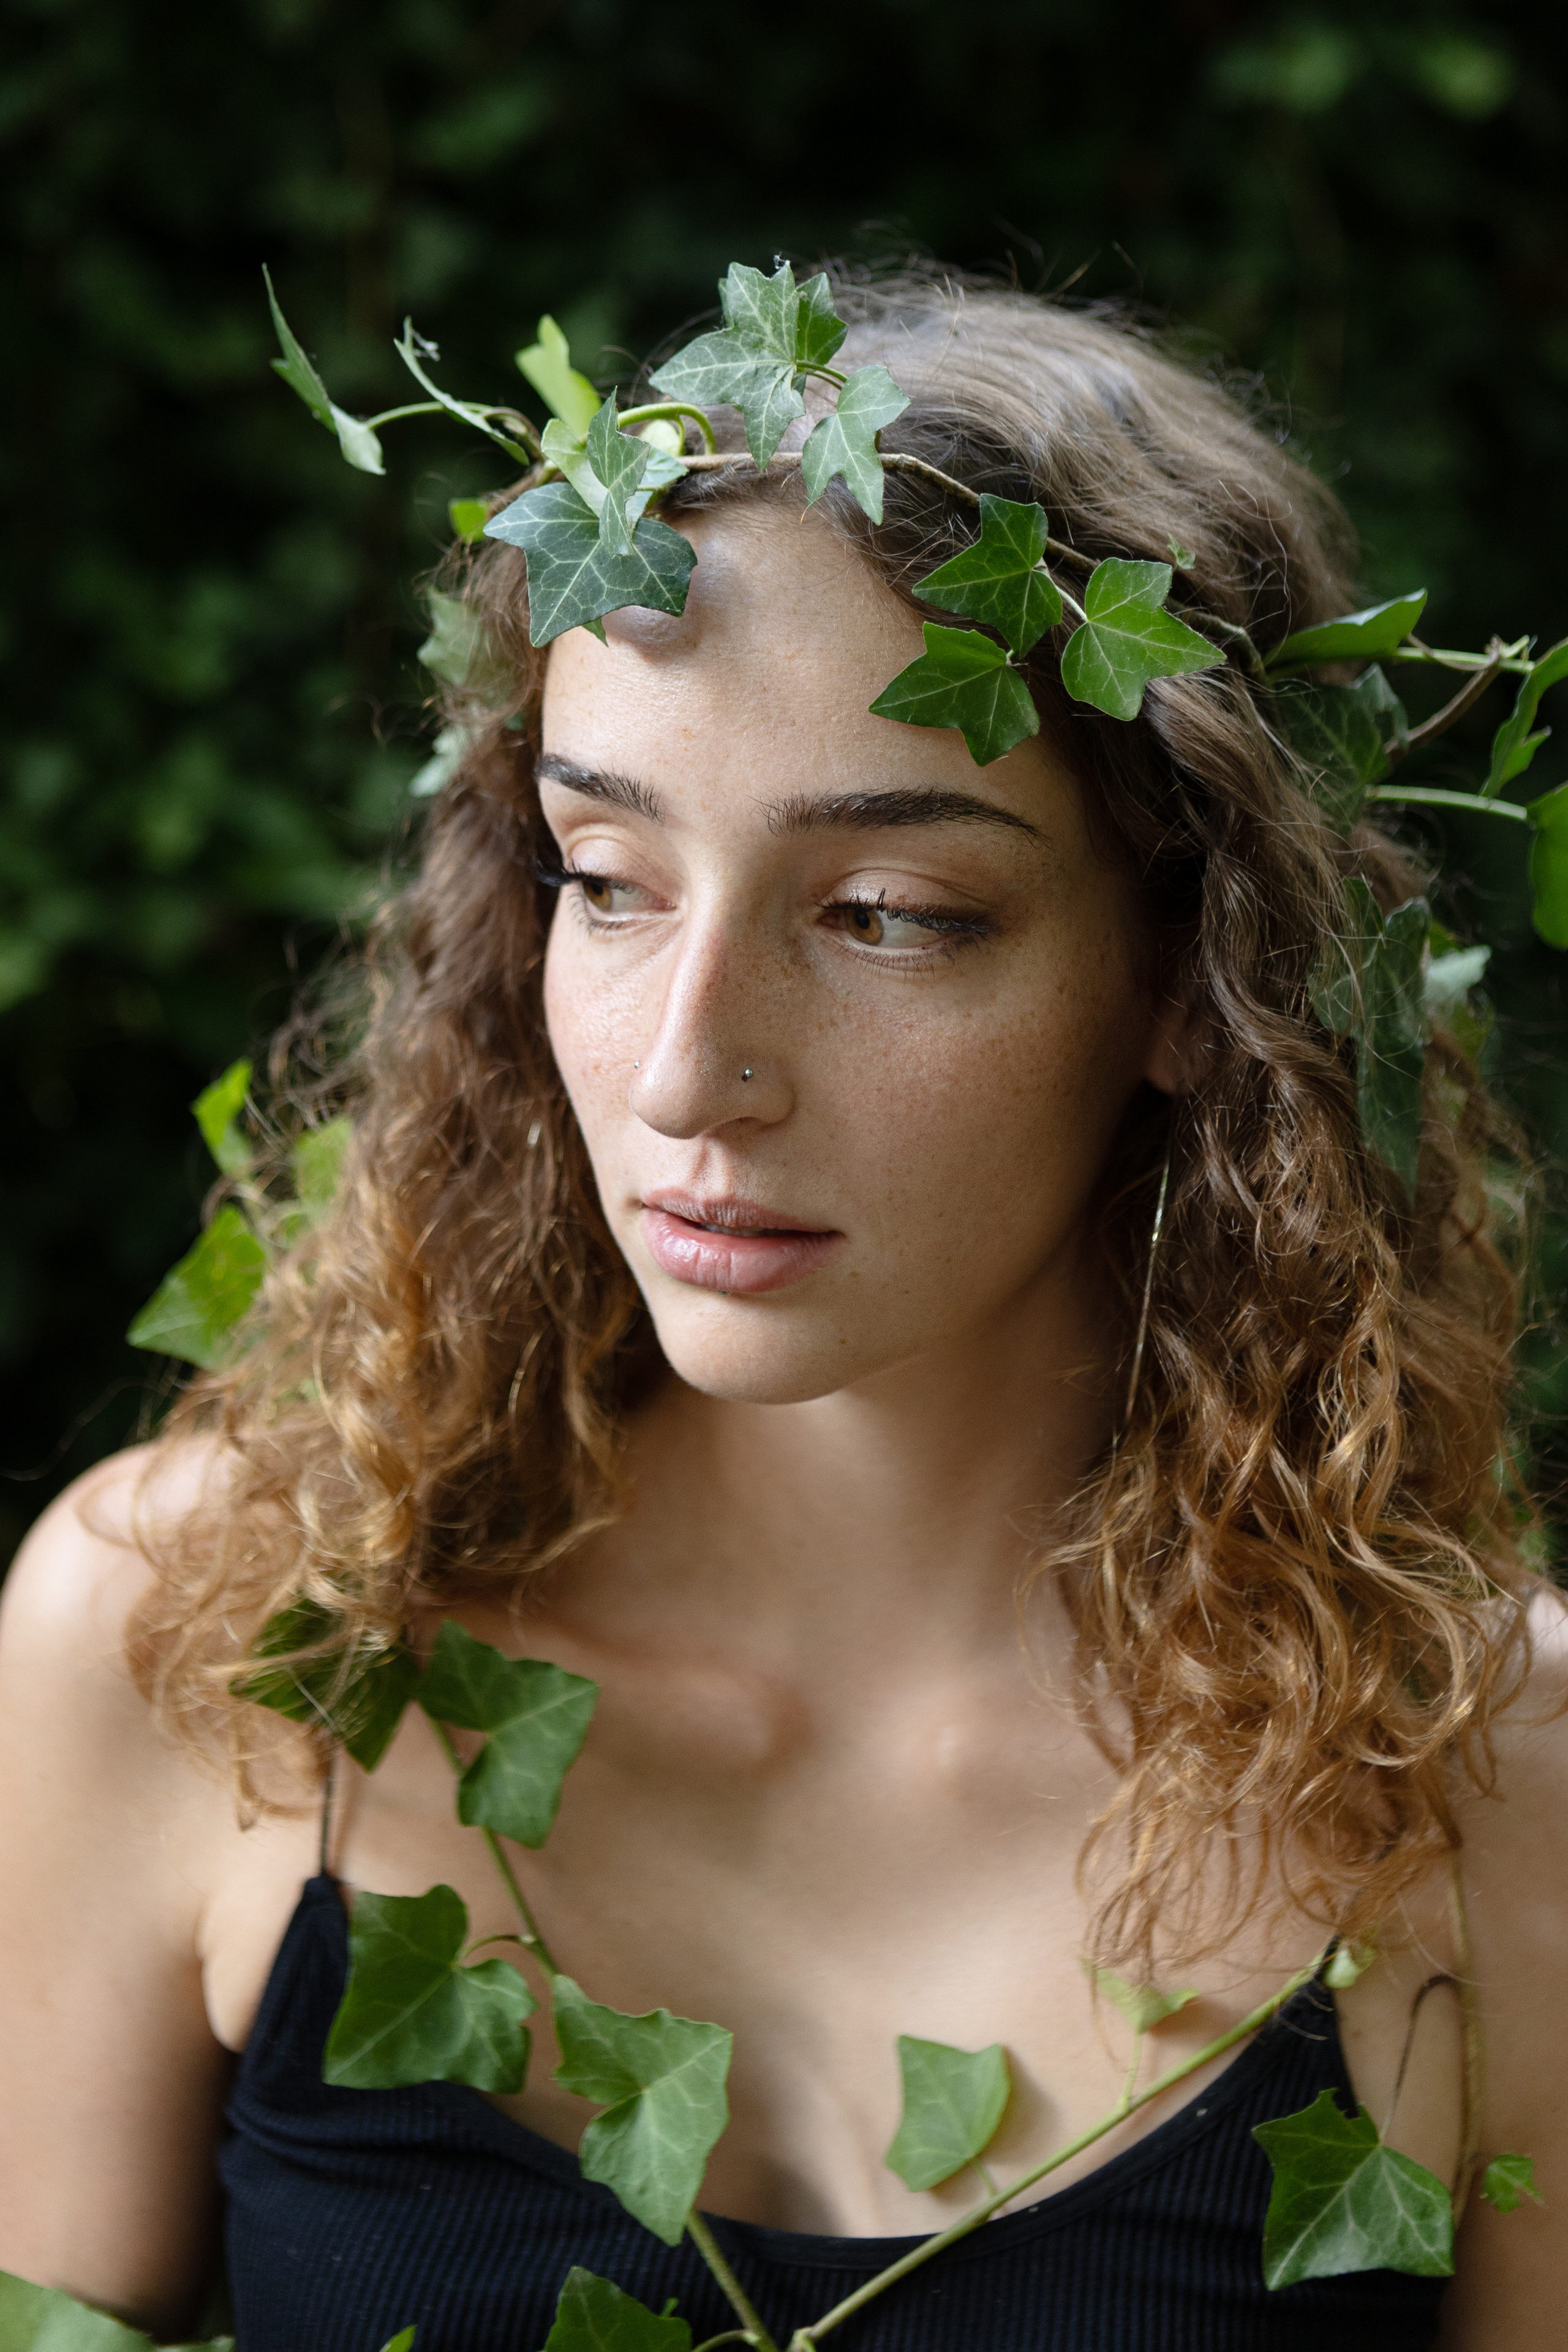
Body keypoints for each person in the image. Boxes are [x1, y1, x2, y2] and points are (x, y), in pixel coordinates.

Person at [0, 267, 1562, 2352]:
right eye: (609, 877)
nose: (683, 1071)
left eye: (890, 915)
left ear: (1203, 977)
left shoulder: (1490, 1772)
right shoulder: (207, 1639)